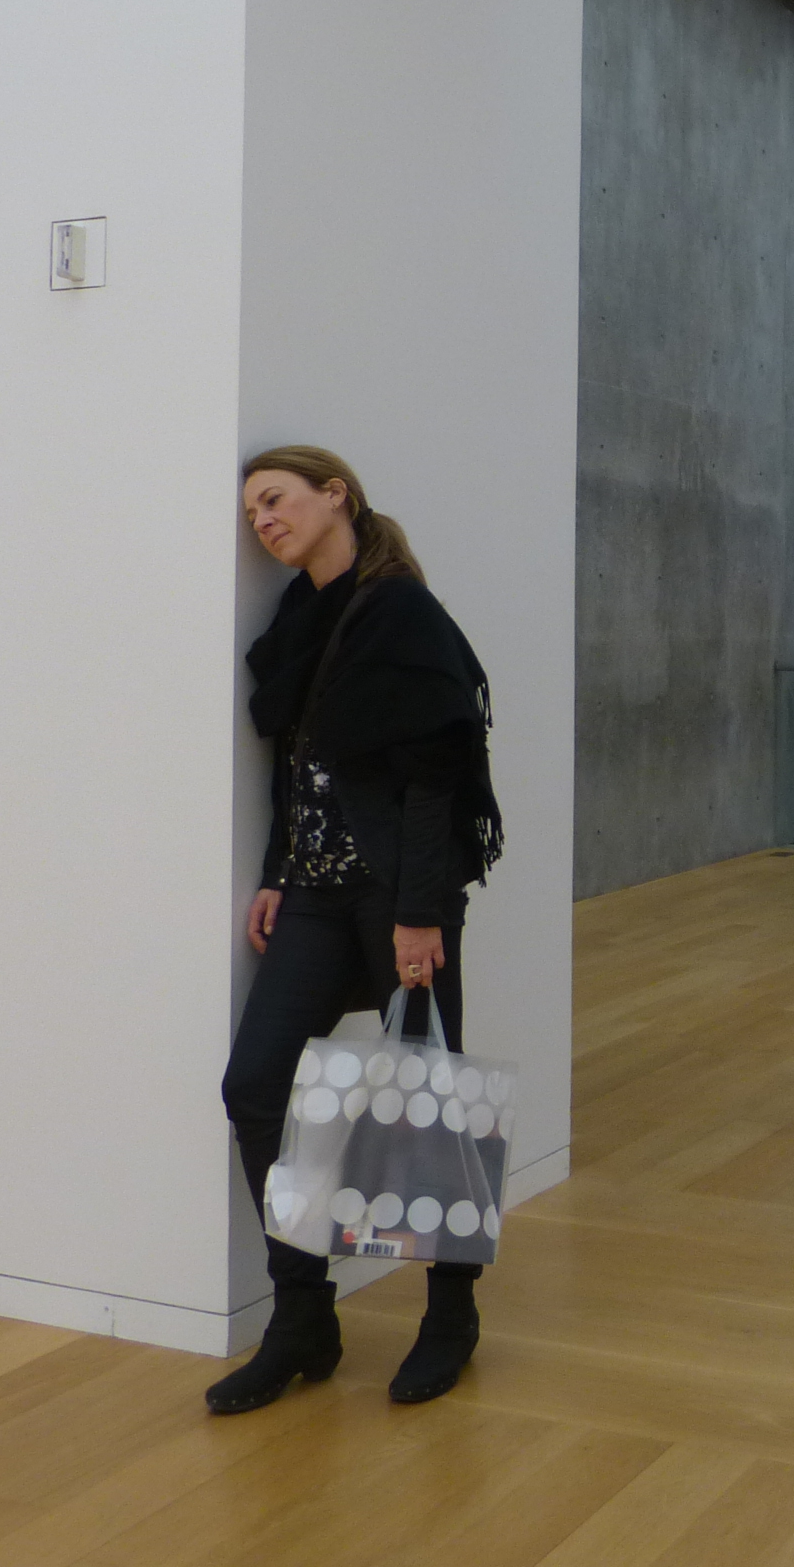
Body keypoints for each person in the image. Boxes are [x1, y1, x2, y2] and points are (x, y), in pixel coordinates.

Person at [209, 446, 504, 1415]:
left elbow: (436, 772)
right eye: (252, 512)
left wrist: (419, 913)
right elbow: (299, 766)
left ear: (335, 495)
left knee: (428, 1096)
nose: (264, 521)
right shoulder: (302, 618)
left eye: (276, 499)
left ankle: (450, 1314)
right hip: (314, 894)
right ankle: (304, 1318)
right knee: (255, 1085)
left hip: (394, 894)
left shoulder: (398, 611)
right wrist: (276, 872)